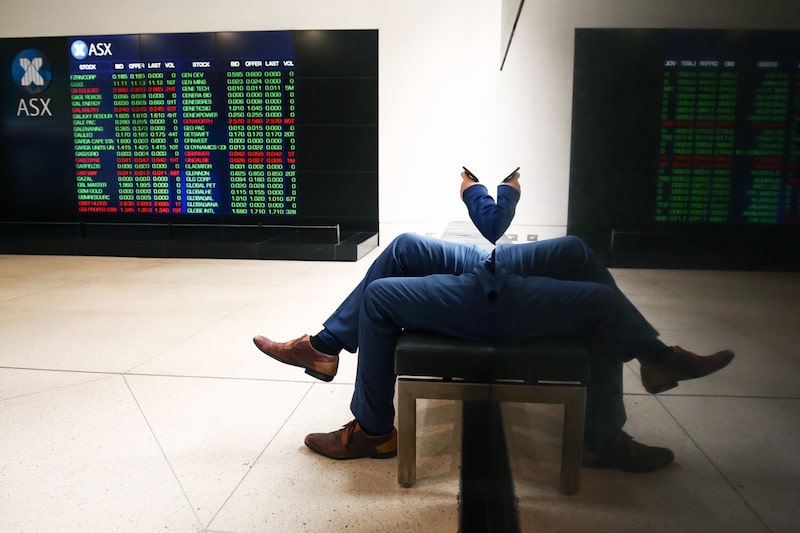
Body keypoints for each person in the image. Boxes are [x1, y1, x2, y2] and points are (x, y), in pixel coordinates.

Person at [253, 170, 734, 473]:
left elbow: (493, 229)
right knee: (405, 246)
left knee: (380, 297)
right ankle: (324, 346)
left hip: (495, 283)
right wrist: (492, 193)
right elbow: (495, 230)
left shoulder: (498, 204)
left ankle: (372, 429)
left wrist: (486, 194)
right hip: (495, 269)